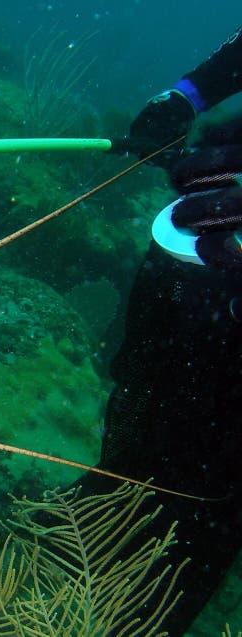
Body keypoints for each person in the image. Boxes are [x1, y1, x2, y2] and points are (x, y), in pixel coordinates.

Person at [79, 26, 242, 634]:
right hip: (201, 261)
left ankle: (152, 605)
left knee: (210, 485)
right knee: (146, 386)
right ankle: (93, 526)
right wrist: (189, 96)